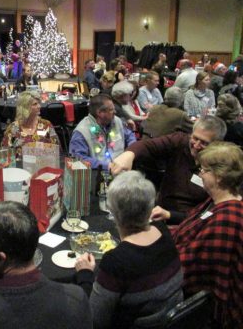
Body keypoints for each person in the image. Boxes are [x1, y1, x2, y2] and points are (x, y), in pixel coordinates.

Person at [75, 171, 183, 329]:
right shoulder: (163, 231)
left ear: (113, 212)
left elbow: (94, 321)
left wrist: (85, 275)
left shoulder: (117, 260)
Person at [160, 142, 243, 328]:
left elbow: (190, 266)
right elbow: (190, 227)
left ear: (219, 177)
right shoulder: (215, 202)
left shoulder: (229, 217)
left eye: (204, 170)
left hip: (210, 315)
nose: (199, 174)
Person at [111, 116, 227, 213]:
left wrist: (171, 216)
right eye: (195, 138)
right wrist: (129, 154)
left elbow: (209, 212)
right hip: (160, 211)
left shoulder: (221, 166)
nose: (196, 145)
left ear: (217, 144)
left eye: (204, 143)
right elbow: (149, 145)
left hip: (190, 222)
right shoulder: (180, 141)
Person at [69, 94, 136, 171]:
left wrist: (130, 152)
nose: (115, 112)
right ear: (100, 113)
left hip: (122, 169)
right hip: (98, 174)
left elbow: (130, 135)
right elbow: (78, 159)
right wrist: (107, 166)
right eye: (111, 110)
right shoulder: (81, 132)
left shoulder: (116, 121)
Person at [2, 91, 59, 156]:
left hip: (43, 163)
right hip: (19, 165)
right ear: (24, 107)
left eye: (39, 103)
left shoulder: (46, 125)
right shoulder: (13, 128)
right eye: (35, 104)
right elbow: (5, 153)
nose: (39, 106)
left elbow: (57, 150)